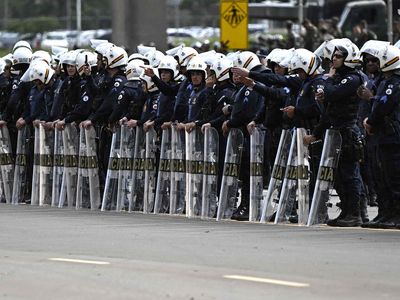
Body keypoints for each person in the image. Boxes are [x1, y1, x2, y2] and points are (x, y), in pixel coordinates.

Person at [305, 41, 364, 227]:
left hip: (347, 132)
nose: (333, 59)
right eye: (334, 55)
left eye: (338, 56)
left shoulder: (353, 78)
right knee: (337, 175)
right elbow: (328, 110)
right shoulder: (339, 77)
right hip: (335, 133)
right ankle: (346, 211)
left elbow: (332, 93)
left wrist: (328, 81)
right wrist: (316, 134)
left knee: (349, 174)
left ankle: (355, 213)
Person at [362, 45, 400, 229]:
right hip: (382, 135)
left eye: (377, 60)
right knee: (381, 177)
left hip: (392, 136)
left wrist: (372, 116)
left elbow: (382, 106)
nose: (373, 64)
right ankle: (385, 213)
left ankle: (396, 216)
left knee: (394, 177)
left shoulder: (394, 82)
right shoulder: (385, 81)